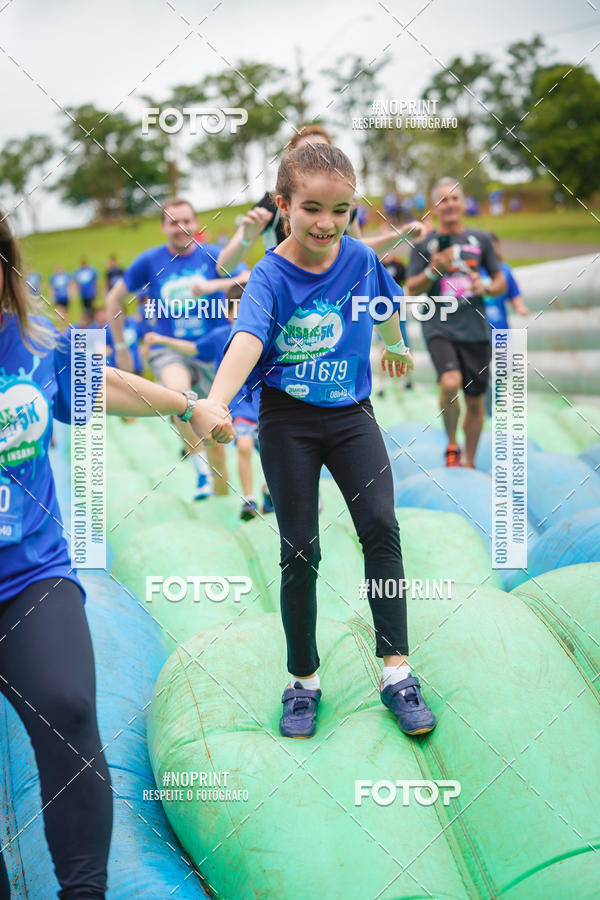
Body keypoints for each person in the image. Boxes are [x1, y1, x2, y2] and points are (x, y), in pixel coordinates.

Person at [0, 213, 228, 898]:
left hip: (28, 575)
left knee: (69, 708)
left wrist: (185, 404)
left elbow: (101, 384)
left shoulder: (29, 340)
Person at [208, 143, 436, 740]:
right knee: (300, 548)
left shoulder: (359, 258)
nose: (327, 223)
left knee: (381, 526)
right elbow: (248, 339)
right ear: (283, 205)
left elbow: (385, 304)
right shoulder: (269, 274)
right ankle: (303, 680)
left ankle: (397, 671)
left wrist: (396, 344)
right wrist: (216, 401)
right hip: (289, 420)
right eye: (312, 208)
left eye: (341, 210)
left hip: (352, 415)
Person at [106, 197, 249, 500]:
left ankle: (220, 488)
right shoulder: (150, 261)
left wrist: (213, 288)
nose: (181, 227)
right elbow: (114, 299)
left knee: (217, 435)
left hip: (211, 350)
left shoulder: (213, 255)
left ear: (196, 224)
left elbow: (249, 278)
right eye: (173, 222)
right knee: (179, 398)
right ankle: (199, 468)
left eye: (186, 221)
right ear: (163, 227)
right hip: (169, 348)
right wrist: (120, 346)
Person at [143, 282, 274, 521]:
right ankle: (247, 499)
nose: (242, 317)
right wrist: (162, 339)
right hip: (239, 404)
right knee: (240, 447)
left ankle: (269, 490)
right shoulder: (220, 337)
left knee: (273, 452)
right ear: (227, 313)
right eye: (236, 312)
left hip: (265, 403)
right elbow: (193, 348)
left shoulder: (266, 334)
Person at [216, 124, 418, 276]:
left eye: (324, 151)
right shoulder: (269, 205)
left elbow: (359, 251)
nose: (317, 159)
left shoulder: (347, 205)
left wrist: (400, 236)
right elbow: (224, 268)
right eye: (307, 153)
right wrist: (246, 238)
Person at [405, 178, 506, 469]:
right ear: (434, 207)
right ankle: (452, 445)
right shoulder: (423, 244)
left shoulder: (481, 239)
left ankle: (470, 460)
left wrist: (486, 287)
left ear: (463, 203)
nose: (449, 204)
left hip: (475, 328)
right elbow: (411, 288)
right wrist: (434, 270)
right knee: (450, 382)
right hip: (439, 324)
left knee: (475, 400)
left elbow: (500, 280)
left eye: (454, 198)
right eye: (442, 200)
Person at [482, 235, 529, 416]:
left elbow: (514, 294)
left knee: (507, 365)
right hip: (481, 329)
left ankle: (497, 394)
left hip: (501, 328)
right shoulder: (477, 271)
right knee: (483, 369)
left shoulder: (505, 271)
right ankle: (488, 405)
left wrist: (520, 307)